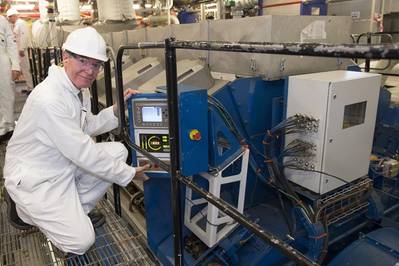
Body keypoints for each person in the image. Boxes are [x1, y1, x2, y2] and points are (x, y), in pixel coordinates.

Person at [3, 27, 150, 255]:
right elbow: (84, 153)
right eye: (83, 61)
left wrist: (117, 110)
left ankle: (73, 214)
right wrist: (129, 174)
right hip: (36, 179)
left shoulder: (76, 89)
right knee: (81, 242)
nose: (90, 71)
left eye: (96, 65)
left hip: (60, 165)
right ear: (65, 57)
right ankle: (20, 210)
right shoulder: (50, 98)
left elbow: (86, 126)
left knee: (118, 152)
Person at [0, 14, 20, 142]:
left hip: (2, 60)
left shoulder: (2, 21)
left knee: (6, 94)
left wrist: (16, 66)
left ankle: (7, 127)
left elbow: (11, 44)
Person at [7, 7, 33, 93]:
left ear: (13, 16)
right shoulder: (16, 24)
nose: (9, 19)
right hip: (19, 51)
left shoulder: (21, 23)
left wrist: (21, 49)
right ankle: (29, 86)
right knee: (23, 69)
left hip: (23, 51)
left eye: (9, 17)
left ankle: (31, 88)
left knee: (26, 69)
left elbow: (24, 36)